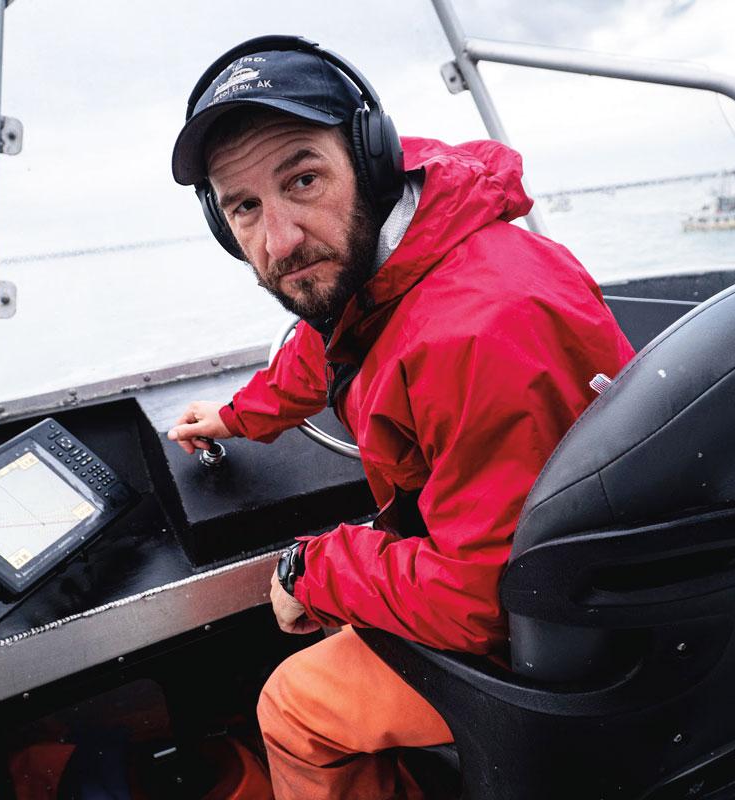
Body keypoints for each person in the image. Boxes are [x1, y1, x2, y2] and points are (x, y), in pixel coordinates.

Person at [167, 35, 635, 799]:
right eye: (244, 207)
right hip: (565, 584)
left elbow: (484, 600)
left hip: (572, 639)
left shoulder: (478, 329)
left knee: (292, 705)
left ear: (371, 158)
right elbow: (336, 339)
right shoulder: (404, 257)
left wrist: (309, 570)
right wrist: (235, 415)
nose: (278, 240)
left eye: (304, 179)